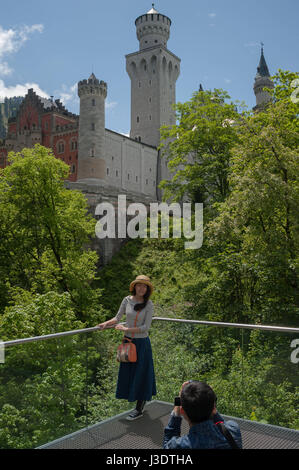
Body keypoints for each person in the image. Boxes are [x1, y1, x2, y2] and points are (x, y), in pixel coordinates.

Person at [97, 275, 156, 420]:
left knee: (141, 374)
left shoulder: (149, 304)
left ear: (147, 289)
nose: (141, 288)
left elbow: (145, 328)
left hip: (142, 344)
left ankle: (139, 408)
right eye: (139, 285)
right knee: (128, 373)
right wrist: (106, 323)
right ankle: (134, 404)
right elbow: (117, 318)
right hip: (128, 342)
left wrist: (125, 329)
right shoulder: (126, 300)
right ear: (134, 286)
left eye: (144, 286)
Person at [163, 380, 242, 449]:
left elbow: (167, 445)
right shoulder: (233, 430)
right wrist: (209, 399)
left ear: (182, 411)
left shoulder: (180, 445)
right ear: (214, 407)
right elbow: (221, 424)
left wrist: (176, 411)